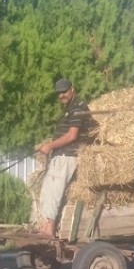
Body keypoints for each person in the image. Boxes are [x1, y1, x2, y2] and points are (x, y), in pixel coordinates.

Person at [32, 78, 92, 237]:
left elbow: (72, 136)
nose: (61, 95)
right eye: (59, 93)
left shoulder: (77, 108)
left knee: (54, 190)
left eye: (64, 91)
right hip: (61, 155)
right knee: (47, 190)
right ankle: (45, 227)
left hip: (67, 156)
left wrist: (50, 146)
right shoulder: (70, 108)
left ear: (73, 89)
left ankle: (49, 230)